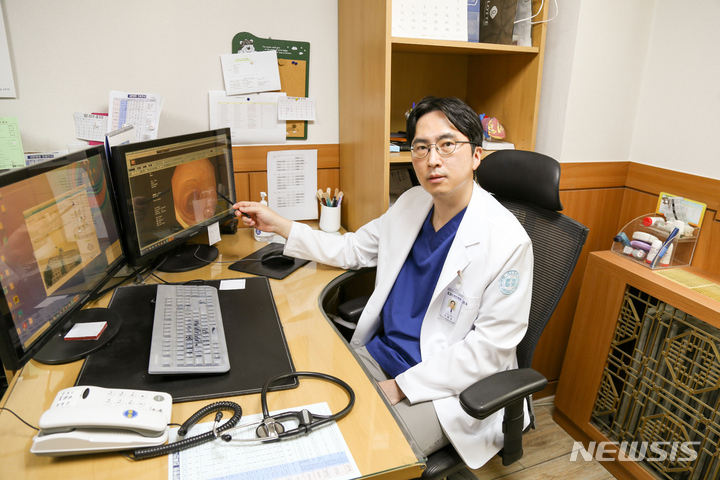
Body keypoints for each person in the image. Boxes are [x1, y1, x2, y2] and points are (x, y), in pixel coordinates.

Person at [233, 96, 533, 469]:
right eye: (421, 147)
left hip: (445, 390)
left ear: (476, 155)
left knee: (355, 454)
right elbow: (352, 249)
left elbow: (488, 351)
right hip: (379, 355)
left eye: (447, 144)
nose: (433, 159)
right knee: (297, 404)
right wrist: (279, 224)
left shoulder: (508, 241)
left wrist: (401, 387)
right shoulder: (412, 203)